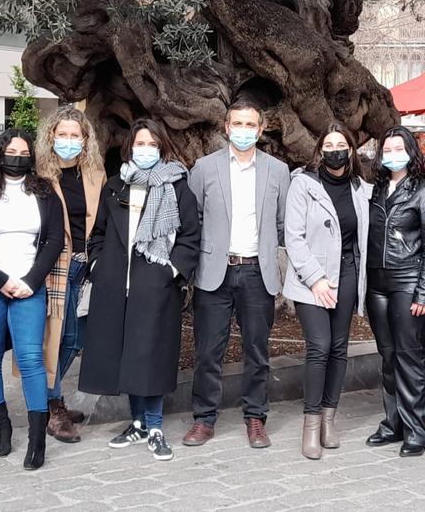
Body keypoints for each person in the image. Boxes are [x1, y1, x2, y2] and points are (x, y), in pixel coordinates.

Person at [79, 119, 201, 461]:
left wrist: (171, 270)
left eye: (151, 144)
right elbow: (99, 233)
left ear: (161, 147)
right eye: (139, 144)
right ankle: (137, 423)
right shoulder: (116, 185)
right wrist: (97, 265)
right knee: (127, 356)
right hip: (117, 286)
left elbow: (191, 237)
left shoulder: (176, 187)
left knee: (151, 356)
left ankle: (156, 425)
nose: (144, 150)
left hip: (156, 286)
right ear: (130, 147)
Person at [184, 99, 290, 449]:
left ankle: (256, 417)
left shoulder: (277, 171)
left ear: (261, 130)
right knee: (207, 351)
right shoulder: (203, 168)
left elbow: (281, 223)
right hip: (215, 272)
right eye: (236, 124)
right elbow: (193, 219)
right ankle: (203, 418)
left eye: (250, 125)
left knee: (257, 351)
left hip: (257, 272)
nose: (243, 131)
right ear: (226, 127)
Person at [0, 129, 65, 470]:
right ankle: (2, 425)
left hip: (28, 287)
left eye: (23, 152)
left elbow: (53, 241)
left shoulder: (45, 192)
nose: (17, 157)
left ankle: (37, 439)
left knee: (31, 357)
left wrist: (31, 281)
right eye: (11, 151)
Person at [283, 124, 372, 460]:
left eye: (342, 145)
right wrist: (317, 279)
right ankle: (309, 425)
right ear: (320, 151)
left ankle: (328, 419)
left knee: (338, 348)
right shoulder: (303, 184)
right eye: (329, 145)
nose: (336, 150)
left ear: (351, 151)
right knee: (318, 346)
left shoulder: (361, 189)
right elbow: (293, 238)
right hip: (311, 279)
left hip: (347, 273)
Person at [364, 126, 425, 457]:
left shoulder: (424, 192)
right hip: (377, 283)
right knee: (389, 356)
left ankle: (417, 429)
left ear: (411, 151)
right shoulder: (376, 189)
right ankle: (392, 423)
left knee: (410, 357)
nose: (392, 154)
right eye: (387, 149)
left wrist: (424, 292)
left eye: (399, 148)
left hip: (408, 280)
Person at [35, 105, 106, 443]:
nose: (67, 140)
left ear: (85, 138)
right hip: (53, 267)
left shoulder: (94, 171)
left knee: (75, 339)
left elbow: (100, 219)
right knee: (58, 338)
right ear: (51, 136)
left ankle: (48, 398)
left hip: (84, 267)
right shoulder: (39, 175)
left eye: (74, 135)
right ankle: (51, 405)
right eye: (61, 134)